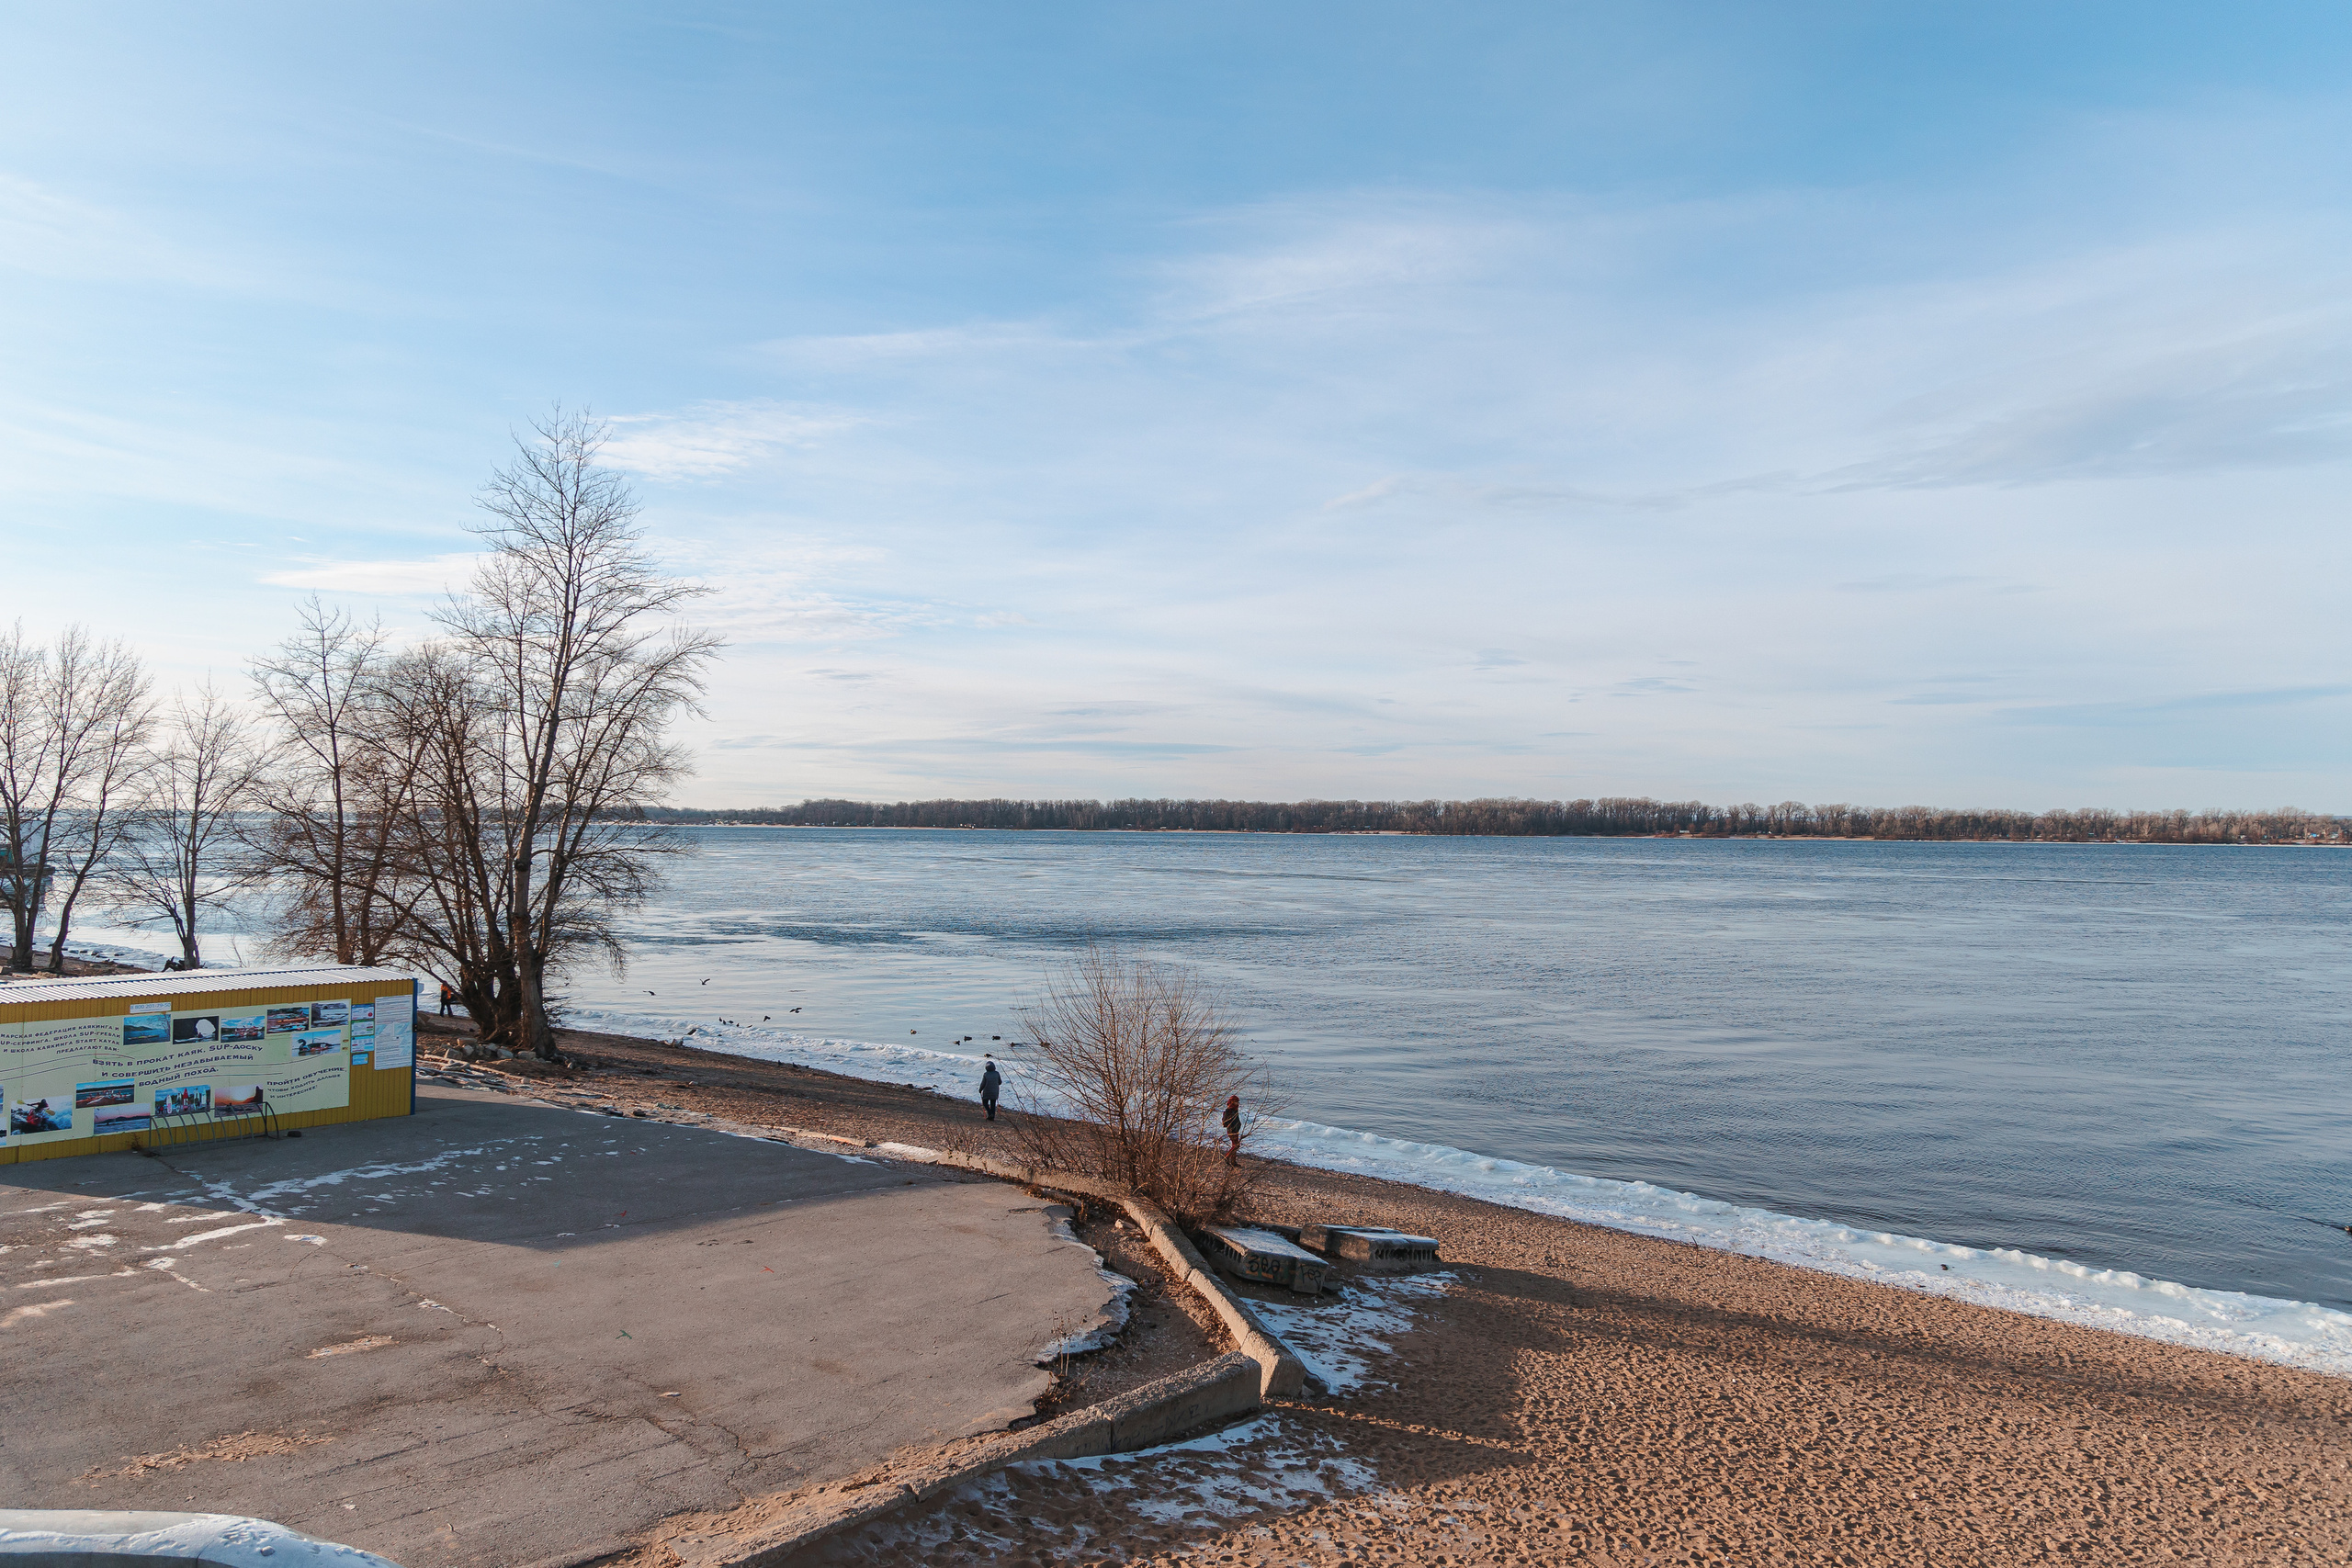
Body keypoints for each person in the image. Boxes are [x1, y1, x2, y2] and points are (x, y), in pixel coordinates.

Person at [979, 1056, 1002, 1122]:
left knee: (985, 1103)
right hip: (995, 1092)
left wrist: (980, 1089)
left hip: (987, 1091)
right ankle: (992, 1117)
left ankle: (989, 1113)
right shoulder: (997, 1073)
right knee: (993, 1104)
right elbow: (1000, 1082)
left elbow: (983, 1084)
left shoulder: (986, 1074)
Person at [1222, 1093, 1242, 1166]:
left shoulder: (1235, 1109)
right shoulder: (1229, 1110)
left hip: (1236, 1129)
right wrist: (1231, 1125)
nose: (1238, 1103)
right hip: (1232, 1130)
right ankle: (1227, 1156)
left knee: (1235, 1145)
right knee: (1236, 1145)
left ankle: (1233, 1162)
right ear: (1233, 1101)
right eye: (1236, 1101)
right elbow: (1225, 1121)